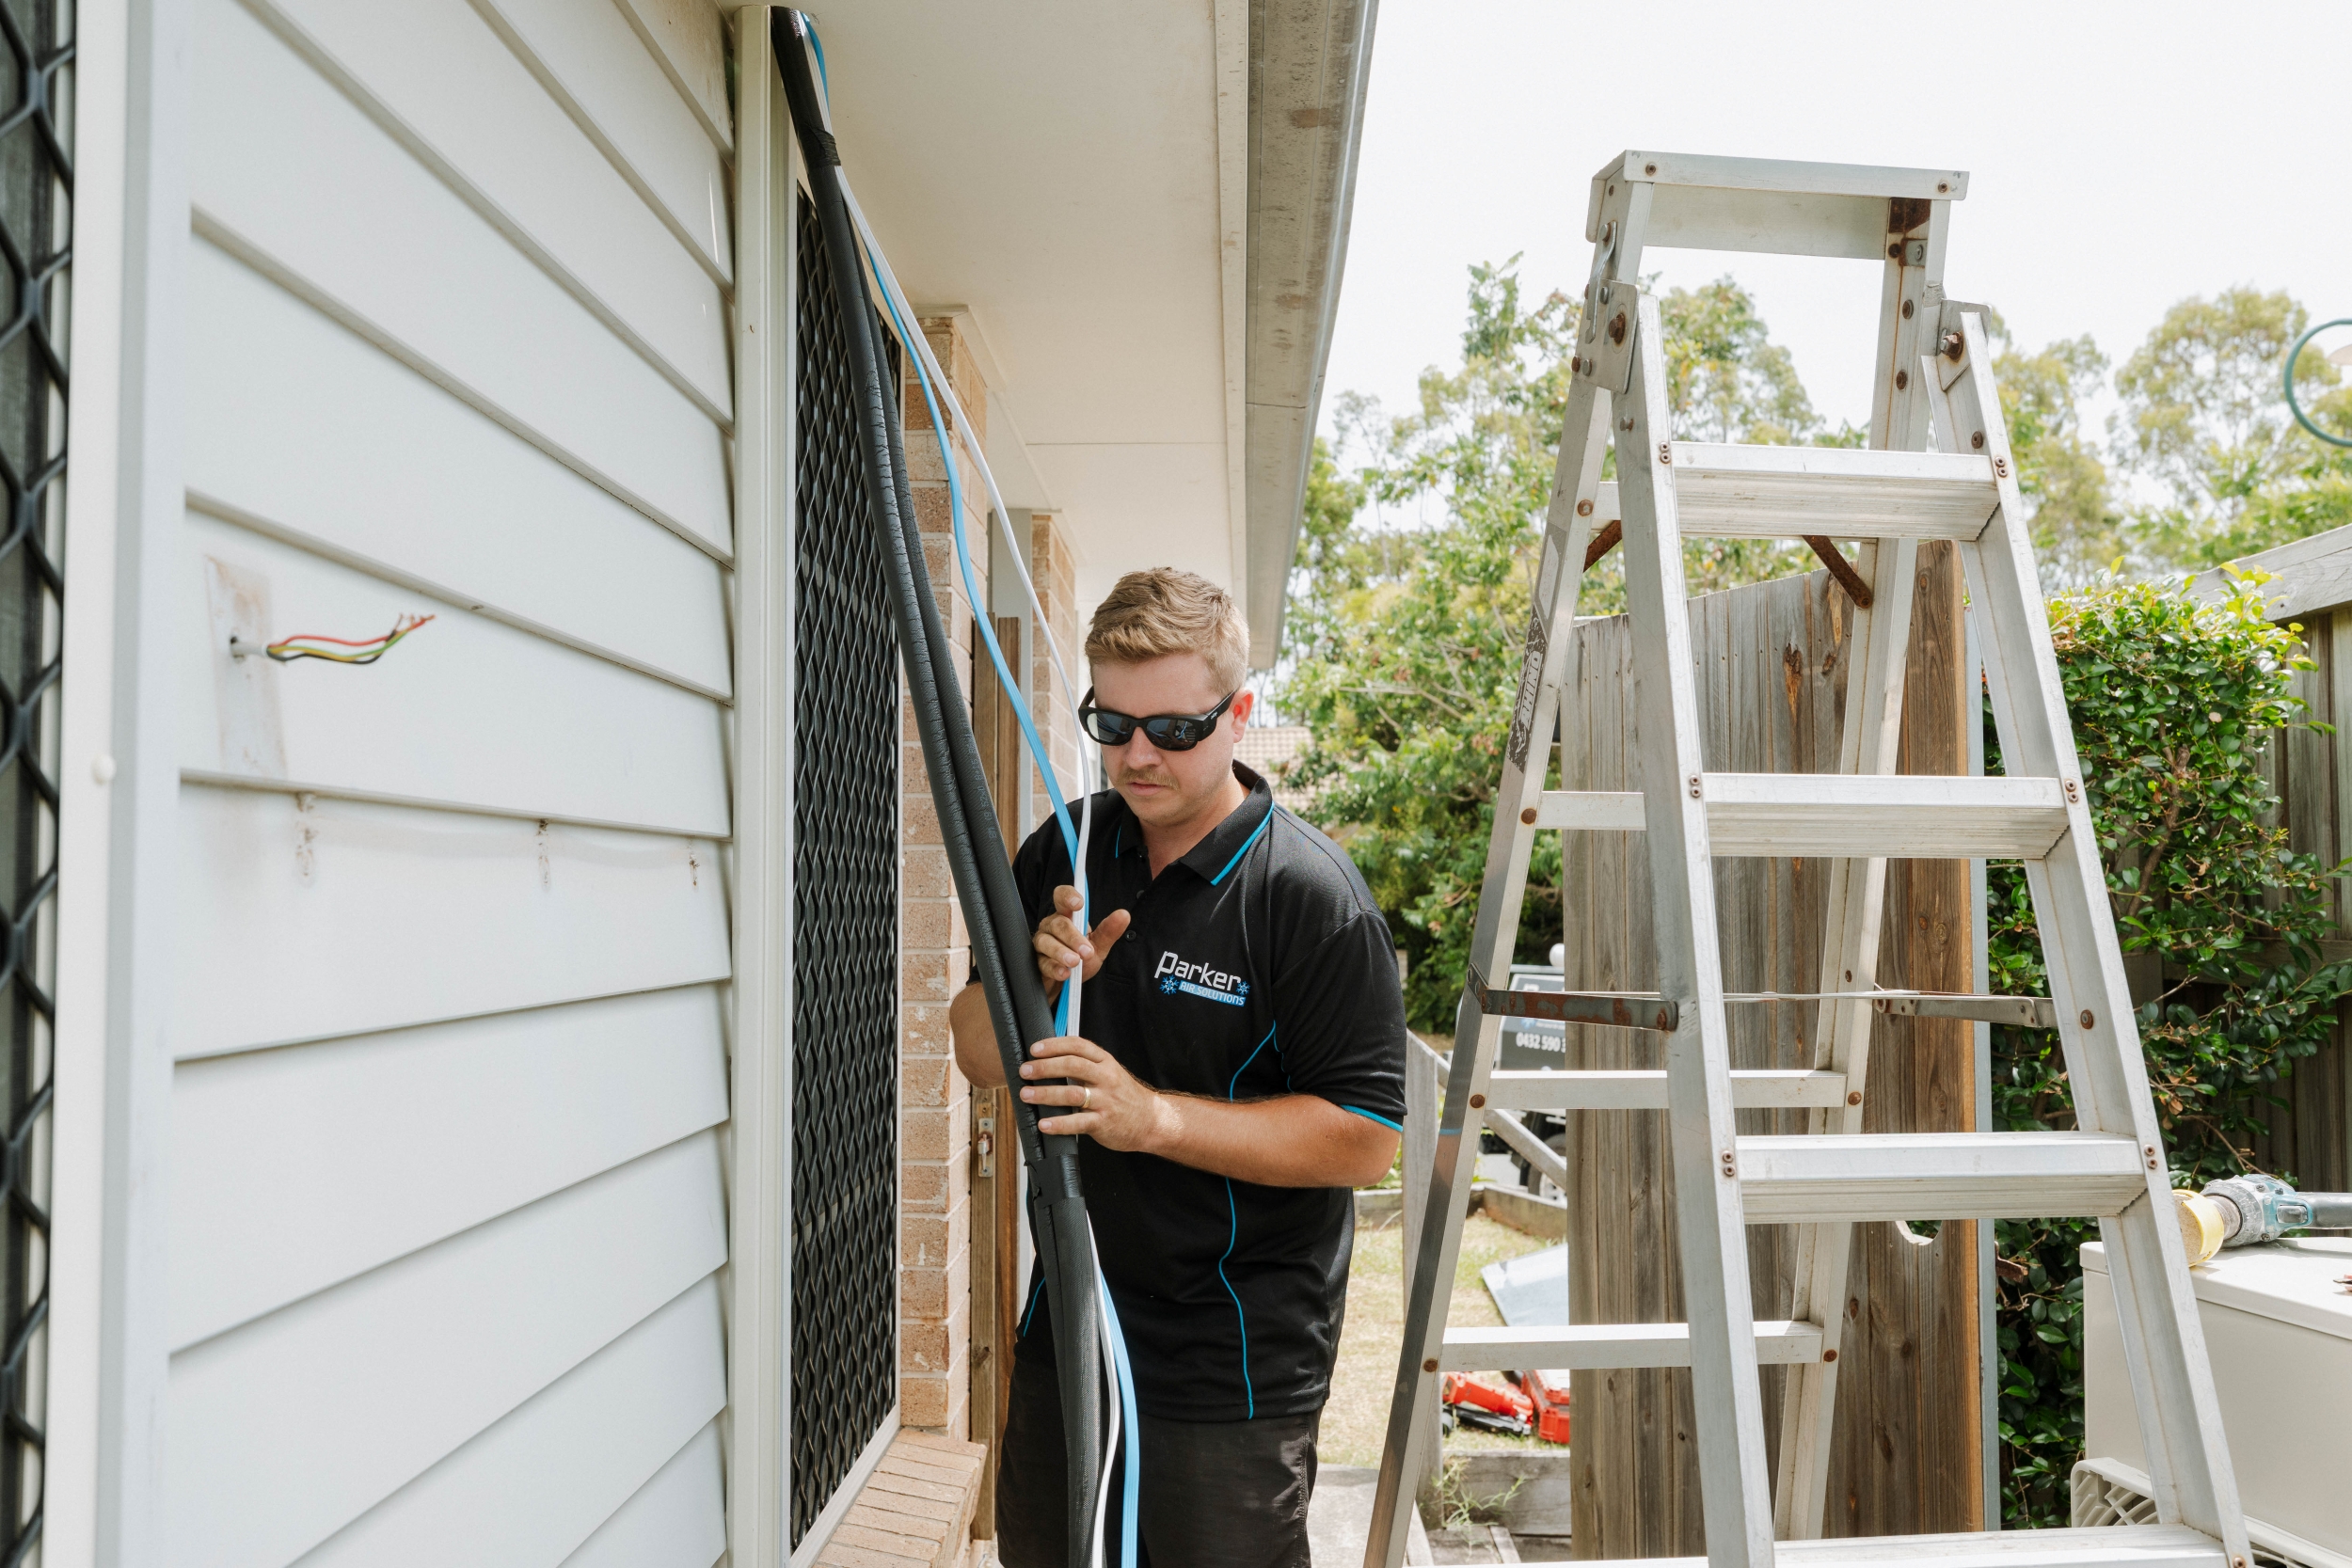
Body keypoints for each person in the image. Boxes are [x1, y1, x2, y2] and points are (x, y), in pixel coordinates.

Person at [951, 567, 1407, 1568]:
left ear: (1239, 712)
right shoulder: (1068, 848)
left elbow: (1366, 1140)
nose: (1137, 753)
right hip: (1069, 1330)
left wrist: (1152, 1118)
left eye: (1173, 728)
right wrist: (1030, 979)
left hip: (1228, 1366)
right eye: (1110, 724)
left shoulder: (1306, 897)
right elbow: (975, 1051)